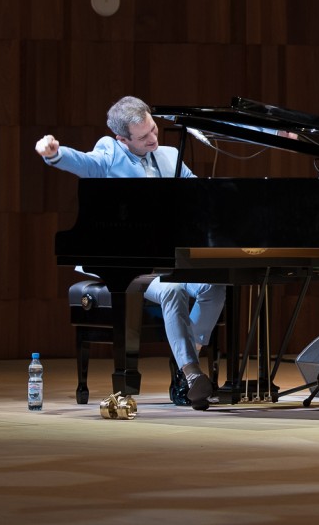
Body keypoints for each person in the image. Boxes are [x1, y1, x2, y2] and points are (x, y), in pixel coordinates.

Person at [35, 96, 224, 410]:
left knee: (213, 285)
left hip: (168, 259)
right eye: (143, 136)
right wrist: (55, 155)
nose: (152, 138)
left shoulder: (169, 155)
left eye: (153, 129)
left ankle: (187, 357)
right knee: (174, 290)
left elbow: (199, 194)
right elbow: (83, 163)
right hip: (132, 263)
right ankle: (191, 375)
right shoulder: (109, 153)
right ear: (122, 138)